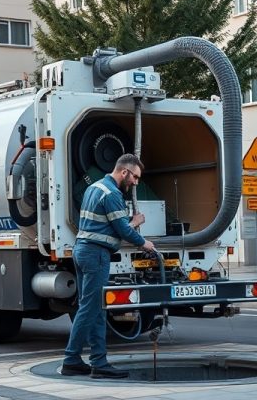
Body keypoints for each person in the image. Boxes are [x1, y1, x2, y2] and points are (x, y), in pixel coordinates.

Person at [62, 154, 156, 379]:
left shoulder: (94, 188)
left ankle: (98, 362)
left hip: (82, 251)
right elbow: (122, 230)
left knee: (94, 309)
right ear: (124, 172)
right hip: (96, 255)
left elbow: (108, 226)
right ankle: (71, 359)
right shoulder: (112, 194)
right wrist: (144, 242)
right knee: (89, 309)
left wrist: (130, 223)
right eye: (135, 177)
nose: (135, 182)